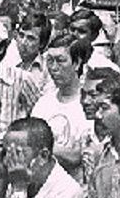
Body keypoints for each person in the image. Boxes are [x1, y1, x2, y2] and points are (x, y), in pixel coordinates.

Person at [30, 31, 92, 173]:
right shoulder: (43, 103)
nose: (53, 68)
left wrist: (40, 146)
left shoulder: (89, 105)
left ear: (77, 63)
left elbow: (77, 157)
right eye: (50, 61)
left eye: (60, 60)